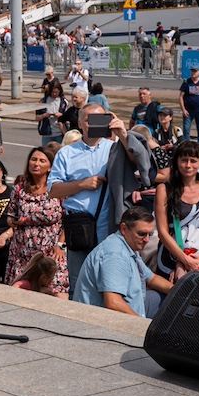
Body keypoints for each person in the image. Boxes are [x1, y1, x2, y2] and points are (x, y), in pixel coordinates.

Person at [71, 205, 173, 318]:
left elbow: (151, 279)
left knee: (173, 300)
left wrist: (180, 292)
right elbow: (113, 303)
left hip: (126, 310)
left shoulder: (128, 246)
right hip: (100, 323)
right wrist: (140, 325)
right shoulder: (116, 255)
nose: (147, 240)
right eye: (142, 234)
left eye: (150, 234)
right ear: (124, 229)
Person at [50, 112, 113, 285]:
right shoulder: (66, 153)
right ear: (79, 123)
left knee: (107, 282)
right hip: (79, 227)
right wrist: (81, 184)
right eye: (89, 119)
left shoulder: (115, 148)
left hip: (108, 226)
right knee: (79, 282)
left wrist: (121, 131)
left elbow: (144, 165)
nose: (94, 124)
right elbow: (53, 190)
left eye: (100, 119)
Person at [0, 146, 69, 296]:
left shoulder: (58, 189)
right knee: (20, 293)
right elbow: (10, 216)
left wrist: (60, 245)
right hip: (22, 252)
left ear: (50, 167)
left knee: (55, 293)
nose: (36, 164)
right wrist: (14, 222)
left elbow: (68, 220)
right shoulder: (19, 189)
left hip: (50, 252)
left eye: (42, 161)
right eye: (33, 159)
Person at [154, 140, 199, 286]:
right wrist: (184, 261)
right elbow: (162, 232)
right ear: (176, 161)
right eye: (184, 160)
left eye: (193, 161)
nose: (188, 165)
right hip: (171, 261)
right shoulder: (164, 190)